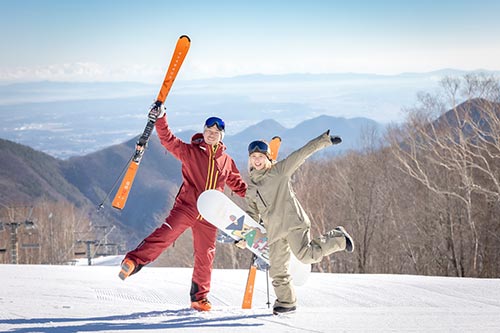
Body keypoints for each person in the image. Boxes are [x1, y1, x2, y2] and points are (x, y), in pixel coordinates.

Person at [118, 104, 247, 312]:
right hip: (187, 207)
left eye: (216, 133)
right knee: (166, 235)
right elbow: (168, 140)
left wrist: (263, 188)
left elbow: (239, 186)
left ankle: (199, 298)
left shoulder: (226, 161)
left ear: (221, 136)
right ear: (203, 132)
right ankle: (133, 261)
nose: (211, 135)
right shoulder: (190, 152)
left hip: (211, 215)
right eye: (208, 131)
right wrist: (161, 118)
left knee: (206, 255)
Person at [243, 131, 354, 315]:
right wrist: (243, 236)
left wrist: (324, 141)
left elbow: (302, 154)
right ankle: (287, 302)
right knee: (277, 269)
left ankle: (339, 238)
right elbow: (251, 215)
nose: (257, 160)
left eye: (260, 156)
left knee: (306, 255)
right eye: (253, 157)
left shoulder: (279, 172)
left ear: (267, 157)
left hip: (294, 223)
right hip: (275, 232)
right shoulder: (252, 188)